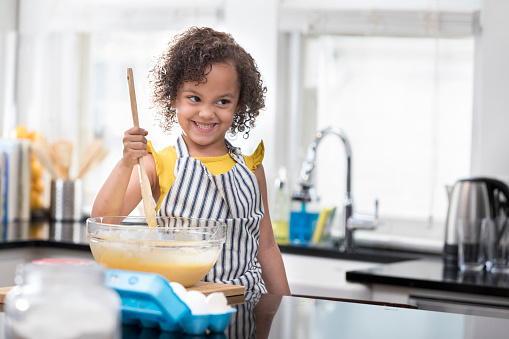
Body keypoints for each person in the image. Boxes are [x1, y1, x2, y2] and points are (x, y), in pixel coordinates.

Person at [92, 27, 291, 296]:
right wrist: (126, 163)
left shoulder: (252, 170)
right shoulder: (158, 165)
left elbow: (266, 248)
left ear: (238, 105)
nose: (206, 113)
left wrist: (284, 309)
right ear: (174, 97)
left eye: (222, 101)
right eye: (194, 98)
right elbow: (104, 222)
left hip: (245, 309)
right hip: (181, 305)